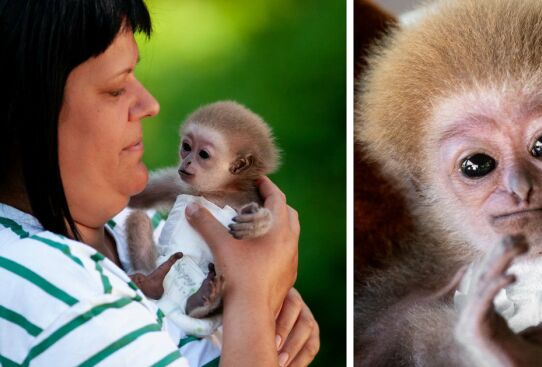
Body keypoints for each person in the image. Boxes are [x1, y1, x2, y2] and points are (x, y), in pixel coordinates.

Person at [0, 1, 319, 366]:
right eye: (116, 88)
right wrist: (255, 300)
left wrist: (262, 297)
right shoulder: (65, 299)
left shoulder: (128, 221)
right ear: (29, 114)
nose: (149, 104)